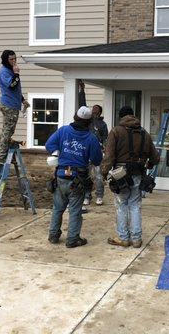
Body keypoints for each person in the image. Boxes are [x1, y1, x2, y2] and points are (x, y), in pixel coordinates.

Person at [101, 106, 160, 248]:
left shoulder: (116, 131)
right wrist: (150, 164)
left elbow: (109, 157)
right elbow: (155, 157)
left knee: (121, 205)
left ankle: (123, 238)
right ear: (133, 116)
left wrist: (104, 172)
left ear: (121, 117)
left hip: (120, 174)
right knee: (135, 205)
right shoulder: (144, 133)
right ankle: (137, 239)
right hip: (138, 173)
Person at [45, 106, 103, 248]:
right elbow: (97, 160)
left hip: (61, 176)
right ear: (89, 121)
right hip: (78, 179)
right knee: (75, 211)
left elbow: (49, 144)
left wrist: (58, 152)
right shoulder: (91, 138)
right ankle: (72, 239)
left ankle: (53, 235)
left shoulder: (64, 131)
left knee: (58, 208)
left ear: (75, 117)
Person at [78, 80, 108, 207]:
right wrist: (82, 90)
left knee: (99, 176)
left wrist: (105, 150)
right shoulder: (88, 120)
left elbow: (105, 138)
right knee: (86, 176)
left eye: (95, 108)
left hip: (97, 152)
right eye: (92, 108)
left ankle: (100, 196)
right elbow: (82, 105)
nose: (93, 109)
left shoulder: (102, 124)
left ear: (99, 112)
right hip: (85, 151)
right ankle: (87, 196)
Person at [0, 50, 30, 163]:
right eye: (11, 59)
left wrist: (23, 100)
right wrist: (16, 74)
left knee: (6, 130)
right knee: (8, 131)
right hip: (8, 105)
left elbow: (15, 90)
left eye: (15, 58)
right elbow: (12, 85)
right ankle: (2, 157)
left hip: (13, 103)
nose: (14, 61)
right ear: (5, 60)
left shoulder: (10, 70)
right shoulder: (4, 72)